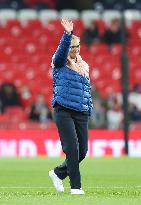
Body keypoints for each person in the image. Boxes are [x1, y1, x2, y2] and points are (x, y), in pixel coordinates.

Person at [49, 19, 93, 195]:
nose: (75, 49)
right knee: (72, 149)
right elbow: (61, 53)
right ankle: (76, 187)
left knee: (82, 151)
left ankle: (58, 173)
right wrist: (67, 35)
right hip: (64, 109)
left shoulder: (83, 66)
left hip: (81, 111)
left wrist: (88, 107)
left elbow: (86, 91)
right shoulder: (59, 62)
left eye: (77, 46)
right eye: (72, 46)